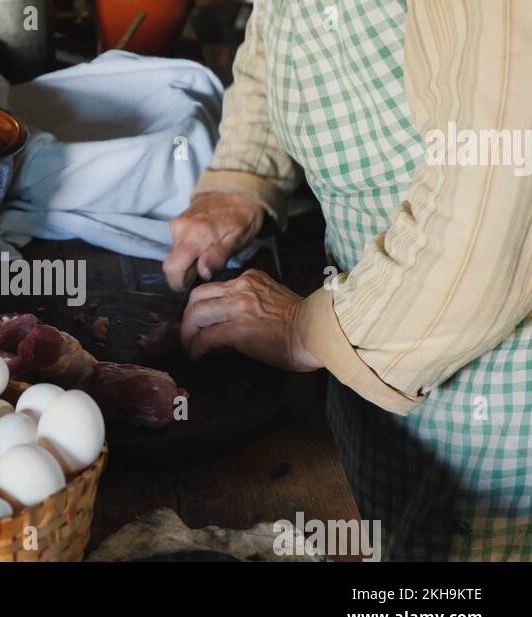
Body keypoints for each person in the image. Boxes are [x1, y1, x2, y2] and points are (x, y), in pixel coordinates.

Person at [164, 0, 532, 560]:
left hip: (500, 395)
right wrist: (243, 174)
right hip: (362, 350)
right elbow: (280, 27)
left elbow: (492, 201)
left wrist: (299, 329)